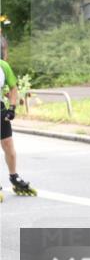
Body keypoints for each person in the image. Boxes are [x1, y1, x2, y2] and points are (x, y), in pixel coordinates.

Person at [0, 55, 35, 200]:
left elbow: (13, 88)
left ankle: (14, 177)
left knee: (8, 144)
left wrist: (12, 108)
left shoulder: (3, 66)